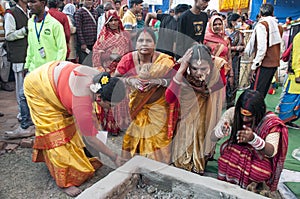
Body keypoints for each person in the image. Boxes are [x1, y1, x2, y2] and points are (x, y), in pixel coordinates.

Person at [24, 61, 127, 197]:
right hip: (39, 87)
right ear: (99, 97)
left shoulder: (101, 80)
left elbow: (91, 123)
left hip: (56, 76)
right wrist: (114, 157)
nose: (112, 109)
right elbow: (90, 138)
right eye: (111, 105)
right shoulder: (81, 102)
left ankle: (78, 155)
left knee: (72, 125)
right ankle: (64, 181)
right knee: (56, 133)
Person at [4, 0, 67, 139]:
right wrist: (27, 65)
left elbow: (62, 48)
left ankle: (51, 128)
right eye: (29, 2)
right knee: (23, 95)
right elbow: (31, 47)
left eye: (34, 2)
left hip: (49, 71)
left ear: (43, 3)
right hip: (33, 69)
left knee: (49, 100)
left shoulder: (54, 25)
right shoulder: (30, 23)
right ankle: (27, 126)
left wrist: (56, 69)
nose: (30, 5)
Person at [212, 89, 288, 196]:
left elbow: (271, 152)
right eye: (242, 115)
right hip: (236, 150)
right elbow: (213, 138)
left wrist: (254, 139)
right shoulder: (232, 112)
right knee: (225, 157)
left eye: (249, 116)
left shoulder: (270, 122)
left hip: (259, 156)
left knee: (259, 173)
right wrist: (221, 131)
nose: (245, 119)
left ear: (259, 112)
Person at [115, 28, 175, 164]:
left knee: (158, 139)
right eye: (140, 41)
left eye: (149, 41)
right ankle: (134, 166)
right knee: (133, 136)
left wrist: (158, 82)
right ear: (135, 44)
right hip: (137, 105)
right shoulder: (128, 59)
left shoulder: (164, 61)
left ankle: (156, 169)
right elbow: (116, 79)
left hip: (159, 107)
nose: (144, 44)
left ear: (155, 43)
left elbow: (177, 82)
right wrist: (130, 80)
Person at [166, 44, 223, 174]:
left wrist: (207, 90)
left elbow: (221, 83)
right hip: (184, 117)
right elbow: (169, 98)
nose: (198, 73)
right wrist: (181, 69)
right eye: (194, 68)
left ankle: (197, 165)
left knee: (201, 134)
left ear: (210, 65)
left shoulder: (217, 68)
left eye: (203, 68)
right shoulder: (180, 70)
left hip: (204, 114)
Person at [92, 9, 132, 135]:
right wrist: (110, 56)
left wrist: (125, 61)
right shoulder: (103, 36)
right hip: (108, 72)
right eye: (111, 20)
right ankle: (109, 126)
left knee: (121, 97)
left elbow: (130, 52)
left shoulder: (125, 35)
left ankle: (120, 124)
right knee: (109, 96)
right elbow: (96, 53)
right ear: (107, 22)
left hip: (122, 70)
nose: (114, 23)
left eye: (116, 20)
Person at [245, 3, 283, 99]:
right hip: (274, 64)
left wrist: (254, 66)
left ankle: (254, 113)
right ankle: (258, 112)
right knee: (262, 92)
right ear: (273, 13)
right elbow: (281, 47)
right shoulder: (278, 27)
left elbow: (262, 48)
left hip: (264, 64)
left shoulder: (262, 25)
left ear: (260, 14)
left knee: (255, 93)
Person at [4, 0, 29, 122]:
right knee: (20, 85)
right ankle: (21, 113)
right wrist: (24, 31)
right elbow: (9, 35)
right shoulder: (11, 13)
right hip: (18, 54)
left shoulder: (29, 11)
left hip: (30, 54)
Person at [278, 32, 300, 129]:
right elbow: (296, 57)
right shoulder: (299, 37)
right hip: (296, 76)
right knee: (291, 99)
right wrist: (298, 74)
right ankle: (282, 122)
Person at [225, 13, 245, 108]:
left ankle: (231, 103)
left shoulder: (240, 34)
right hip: (224, 59)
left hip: (235, 60)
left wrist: (232, 48)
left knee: (234, 80)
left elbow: (243, 46)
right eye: (239, 21)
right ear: (233, 22)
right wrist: (235, 48)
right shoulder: (224, 33)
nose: (240, 23)